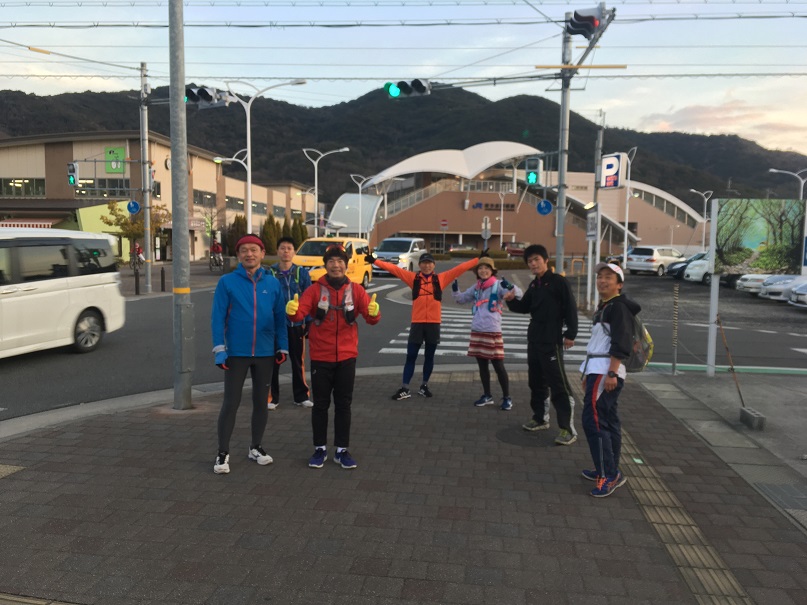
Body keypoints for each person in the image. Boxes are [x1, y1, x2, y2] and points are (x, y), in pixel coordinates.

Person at [286, 244, 381, 470]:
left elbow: (370, 318)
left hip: (347, 357)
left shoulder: (356, 290)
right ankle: (319, 448)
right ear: (325, 265)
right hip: (321, 357)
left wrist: (375, 313)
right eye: (331, 261)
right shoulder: (315, 290)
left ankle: (341, 450)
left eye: (340, 261)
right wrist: (292, 311)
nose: (336, 265)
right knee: (320, 404)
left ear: (346, 265)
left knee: (343, 404)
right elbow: (299, 314)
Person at [211, 234, 289, 475]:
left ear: (262, 254)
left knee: (261, 402)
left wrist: (282, 346)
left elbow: (280, 318)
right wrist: (219, 349)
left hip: (265, 353)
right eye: (244, 250)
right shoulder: (227, 282)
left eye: (254, 249)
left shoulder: (272, 283)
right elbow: (217, 318)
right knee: (231, 403)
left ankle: (256, 447)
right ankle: (222, 452)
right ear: (238, 255)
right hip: (237, 353)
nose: (249, 254)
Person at [368, 250, 480, 400]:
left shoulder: (440, 278)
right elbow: (394, 269)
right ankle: (405, 388)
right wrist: (375, 261)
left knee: (429, 357)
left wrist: (478, 259)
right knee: (411, 356)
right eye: (424, 263)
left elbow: (459, 268)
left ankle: (424, 386)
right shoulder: (413, 278)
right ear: (419, 265)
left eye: (429, 263)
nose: (427, 266)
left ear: (434, 265)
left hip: (433, 324)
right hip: (417, 323)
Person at [505, 244, 579, 445]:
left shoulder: (558, 282)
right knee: (536, 381)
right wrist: (511, 300)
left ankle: (567, 429)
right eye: (530, 261)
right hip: (535, 338)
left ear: (546, 260)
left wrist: (570, 333)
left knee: (558, 384)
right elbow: (525, 307)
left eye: (536, 259)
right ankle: (540, 418)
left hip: (551, 339)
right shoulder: (534, 285)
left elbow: (570, 307)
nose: (533, 264)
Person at [580, 262, 640, 497]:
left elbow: (621, 342)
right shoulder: (606, 306)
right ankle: (608, 468)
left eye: (608, 277)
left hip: (605, 371)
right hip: (598, 370)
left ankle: (608, 474)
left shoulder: (618, 307)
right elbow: (598, 344)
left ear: (619, 284)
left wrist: (612, 373)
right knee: (608, 420)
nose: (602, 281)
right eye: (600, 277)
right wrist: (587, 373)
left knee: (594, 422)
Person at [451, 257, 522, 411]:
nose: (483, 271)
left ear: (492, 270)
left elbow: (518, 294)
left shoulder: (498, 285)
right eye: (480, 268)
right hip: (477, 329)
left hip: (492, 329)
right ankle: (487, 395)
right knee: (482, 365)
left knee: (498, 365)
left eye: (487, 268)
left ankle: (507, 397)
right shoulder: (476, 287)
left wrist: (512, 288)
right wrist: (455, 290)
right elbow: (461, 299)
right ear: (477, 271)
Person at [267, 236, 313, 410]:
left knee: (298, 362)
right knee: (272, 362)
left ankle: (301, 396)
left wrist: (308, 321)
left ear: (294, 252)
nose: (286, 251)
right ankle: (271, 398)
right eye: (282, 248)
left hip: (296, 325)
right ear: (277, 251)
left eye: (289, 248)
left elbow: (308, 299)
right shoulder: (269, 273)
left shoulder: (301, 273)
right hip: (275, 326)